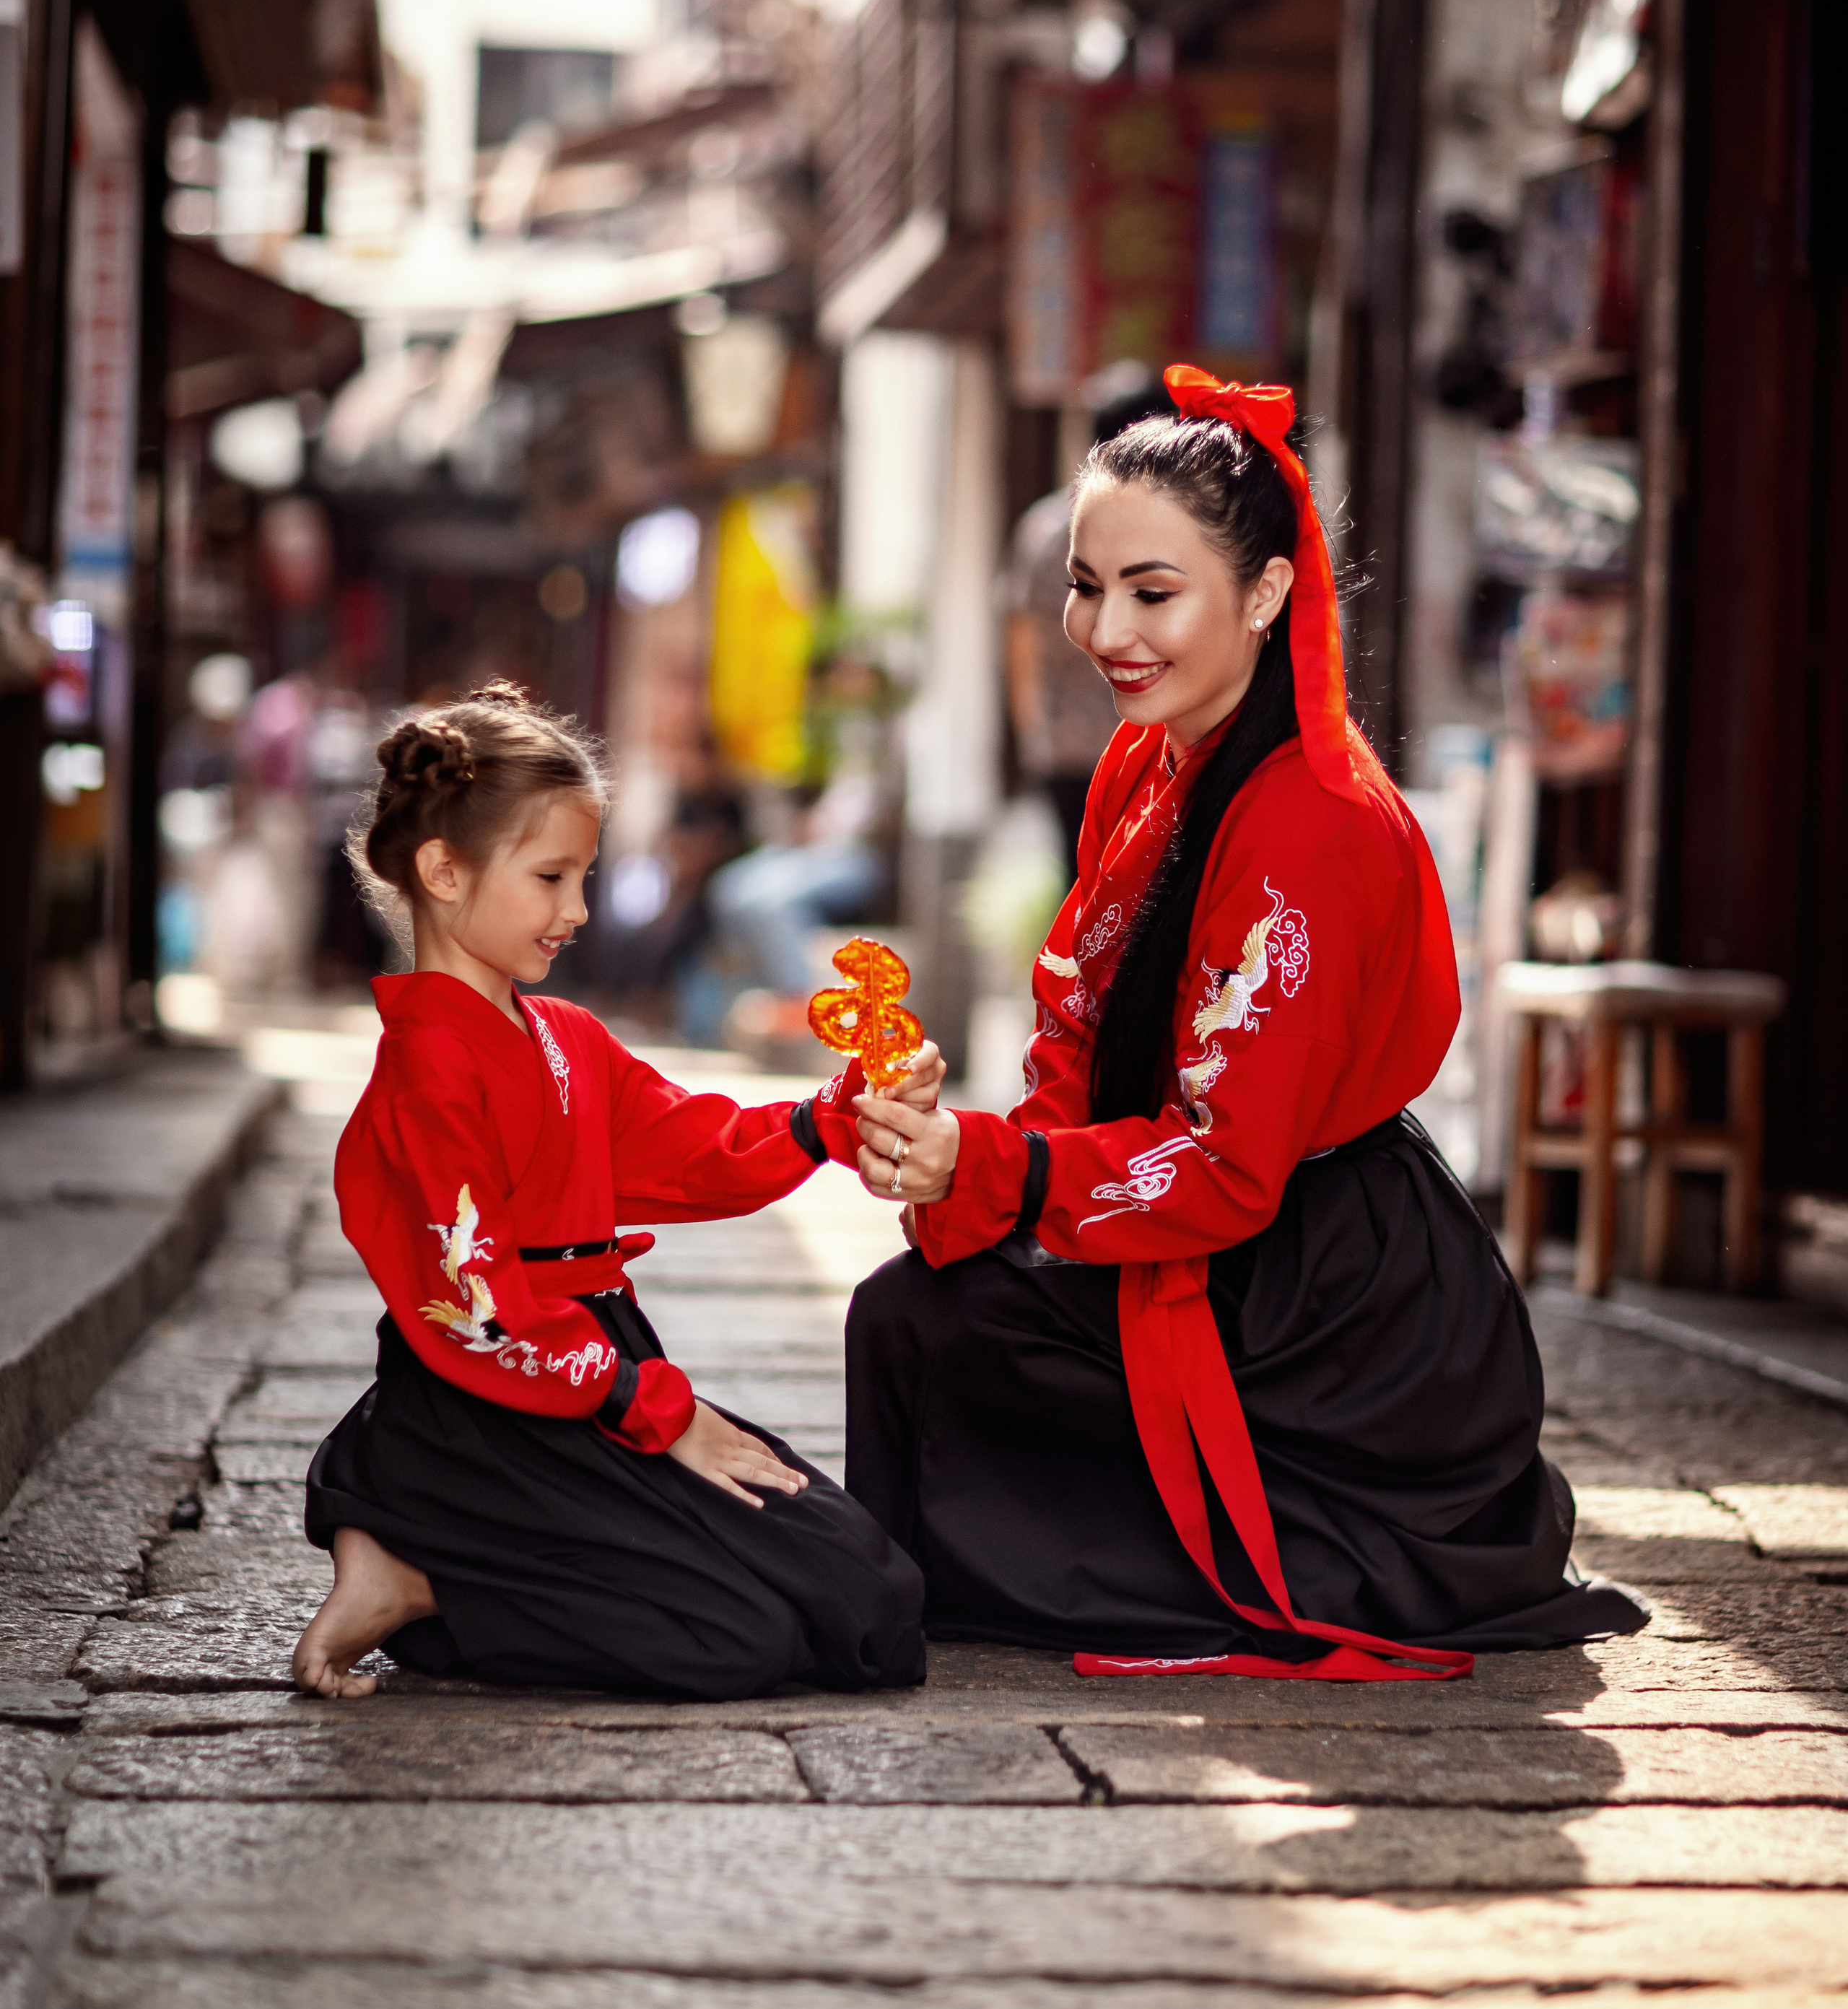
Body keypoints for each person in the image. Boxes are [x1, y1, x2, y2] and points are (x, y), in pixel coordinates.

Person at [832, 368, 1647, 1680]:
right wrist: (965, 1152)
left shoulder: (1309, 822)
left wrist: (1004, 1172)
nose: (1106, 629)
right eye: (1088, 587)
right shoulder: (1151, 767)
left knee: (935, 1332)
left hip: (1332, 1304)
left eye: (1154, 592)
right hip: (1232, 1230)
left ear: (1265, 594)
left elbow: (1226, 1166)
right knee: (922, 1312)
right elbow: (1078, 1041)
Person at [292, 679, 932, 1703]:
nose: (578, 912)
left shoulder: (566, 1039)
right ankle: (423, 1575)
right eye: (551, 877)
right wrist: (653, 1406)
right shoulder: (424, 1078)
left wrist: (834, 1117)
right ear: (443, 871)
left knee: (872, 1599)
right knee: (740, 1640)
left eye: (583, 877)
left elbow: (693, 1148)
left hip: (601, 1374)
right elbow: (482, 1309)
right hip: (490, 1408)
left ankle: (441, 1573)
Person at [1001, 379, 1175, 883]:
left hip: (1068, 750)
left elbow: (1020, 637)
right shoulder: (1170, 525)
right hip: (1148, 745)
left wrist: (1033, 735)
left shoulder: (1047, 526)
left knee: (1084, 889)